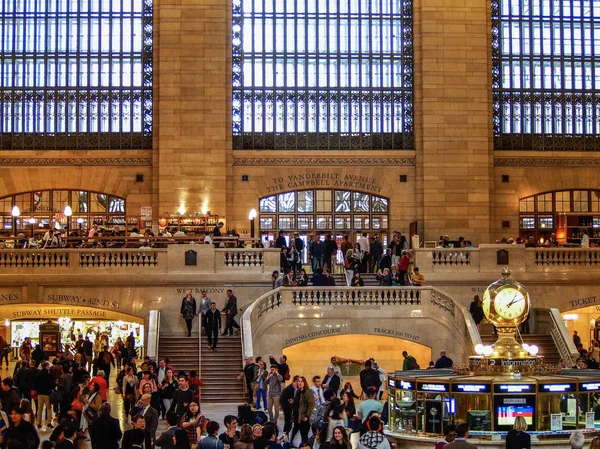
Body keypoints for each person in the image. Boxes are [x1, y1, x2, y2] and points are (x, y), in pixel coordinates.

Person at [291, 376, 315, 444]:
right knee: (295, 434)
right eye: (299, 381)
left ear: (304, 383)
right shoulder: (298, 392)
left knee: (304, 436)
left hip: (304, 417)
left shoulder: (307, 392)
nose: (300, 383)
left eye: (302, 381)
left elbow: (311, 404)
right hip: (297, 417)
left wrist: (307, 416)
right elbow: (297, 404)